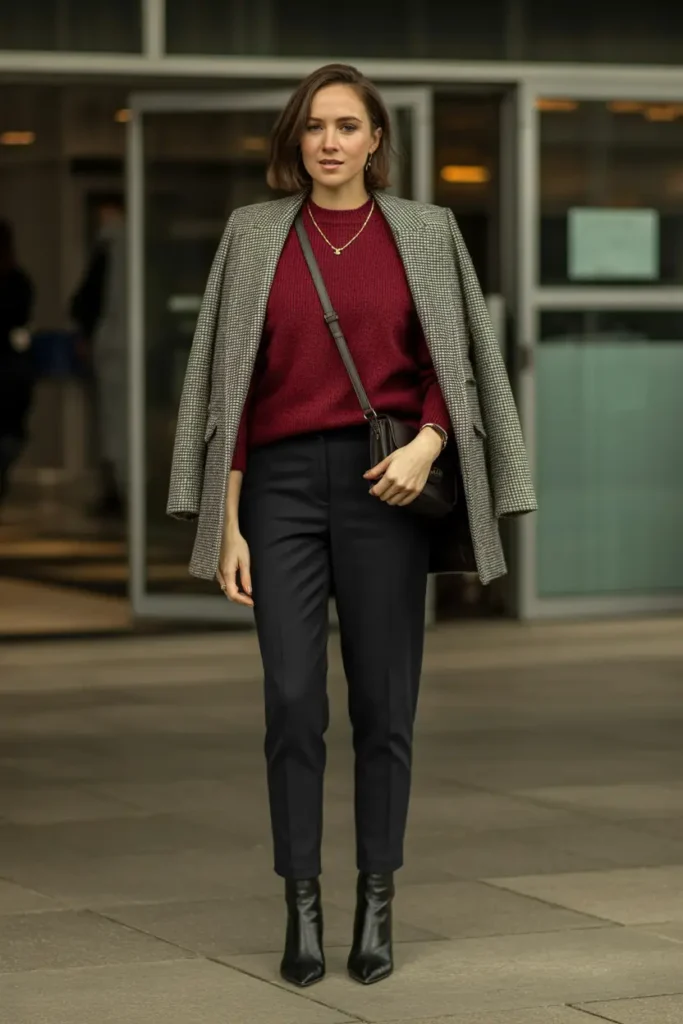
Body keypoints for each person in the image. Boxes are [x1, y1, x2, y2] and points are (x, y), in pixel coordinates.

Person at [167, 64, 537, 988]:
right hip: (281, 488)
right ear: (296, 142)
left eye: (346, 126)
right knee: (291, 701)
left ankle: (377, 904)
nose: (328, 141)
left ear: (376, 140)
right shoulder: (253, 235)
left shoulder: (425, 230)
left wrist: (430, 445)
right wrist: (227, 519)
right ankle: (302, 904)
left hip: (388, 484)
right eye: (312, 127)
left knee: (384, 707)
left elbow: (452, 364)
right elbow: (229, 383)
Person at [70, 199, 127, 518]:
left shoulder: (110, 247)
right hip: (121, 346)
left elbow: (85, 302)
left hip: (112, 347)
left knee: (113, 422)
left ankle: (118, 489)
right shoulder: (133, 247)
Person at [0, 220, 34, 507]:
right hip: (12, 372)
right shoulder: (19, 281)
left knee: (10, 435)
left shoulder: (18, 282)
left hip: (10, 373)